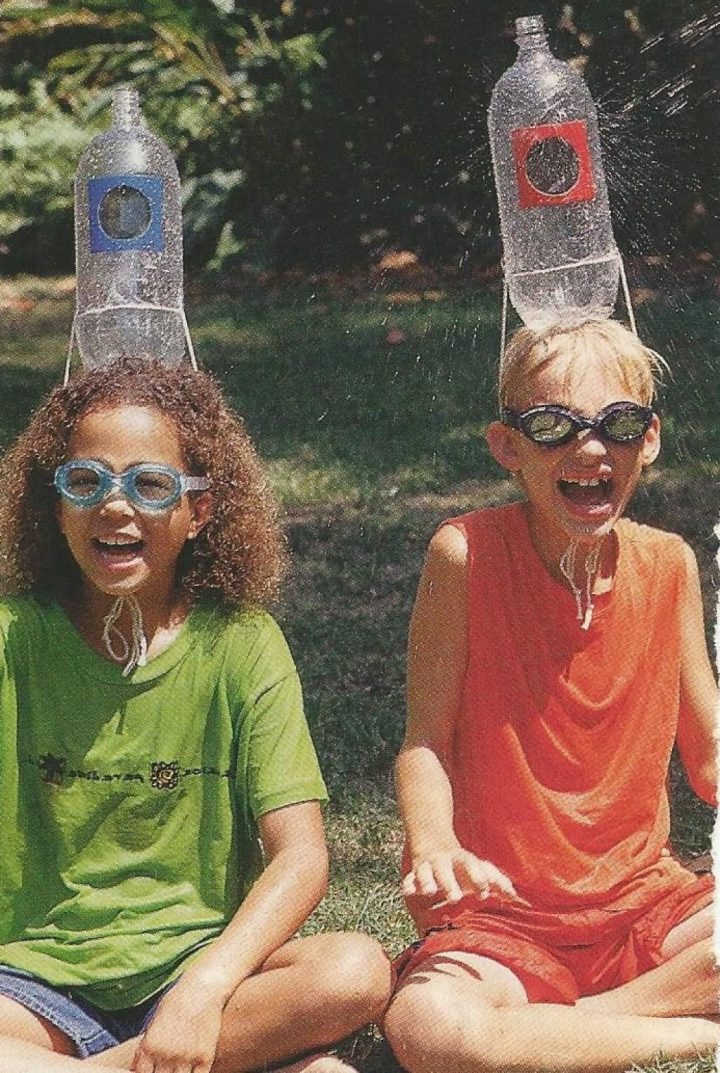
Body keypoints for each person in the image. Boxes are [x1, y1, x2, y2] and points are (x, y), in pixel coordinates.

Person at [0, 356, 392, 1073]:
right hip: (29, 988)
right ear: (54, 506)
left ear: (198, 511)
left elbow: (301, 856)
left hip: (197, 976)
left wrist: (204, 988)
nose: (115, 506)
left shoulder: (240, 643)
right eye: (84, 481)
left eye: (150, 485)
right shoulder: (12, 637)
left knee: (354, 969)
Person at [383, 319, 719, 1072]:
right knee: (431, 1026)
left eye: (619, 425)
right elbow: (425, 742)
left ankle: (565, 1025)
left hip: (646, 908)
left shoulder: (670, 564)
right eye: (553, 427)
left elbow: (710, 755)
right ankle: (688, 1024)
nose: (590, 450)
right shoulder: (464, 553)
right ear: (509, 448)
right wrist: (436, 844)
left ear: (651, 439)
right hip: (503, 918)